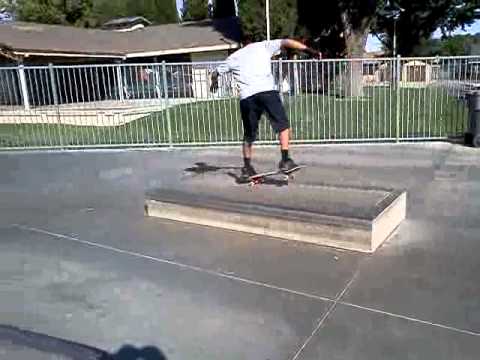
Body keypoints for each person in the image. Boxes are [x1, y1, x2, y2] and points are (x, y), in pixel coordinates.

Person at [210, 37, 321, 178]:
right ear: (253, 42)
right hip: (267, 92)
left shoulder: (234, 56)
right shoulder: (263, 46)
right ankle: (285, 159)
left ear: (242, 45)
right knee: (283, 126)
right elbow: (286, 41)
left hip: (247, 98)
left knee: (249, 135)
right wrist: (310, 50)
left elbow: (215, 72)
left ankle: (247, 167)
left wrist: (214, 82)